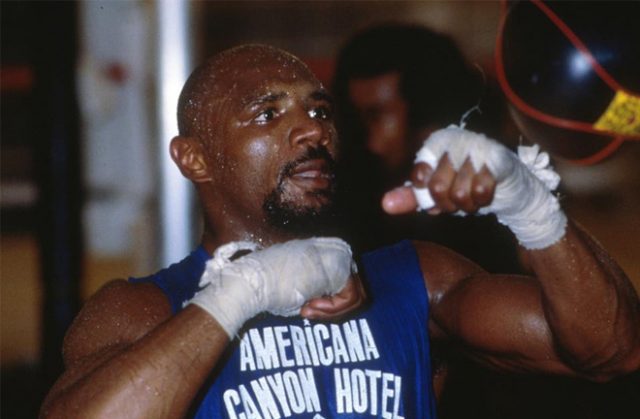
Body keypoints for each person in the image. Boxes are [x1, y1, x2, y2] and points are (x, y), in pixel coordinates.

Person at [40, 44, 640, 418]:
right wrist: (236, 294)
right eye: (269, 114)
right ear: (193, 159)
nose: (310, 131)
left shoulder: (414, 278)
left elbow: (610, 351)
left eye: (320, 111)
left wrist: (531, 206)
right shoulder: (143, 309)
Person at [333, 24, 523, 275]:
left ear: (426, 118)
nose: (369, 141)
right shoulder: (357, 190)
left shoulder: (507, 183)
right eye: (357, 118)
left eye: (376, 116)